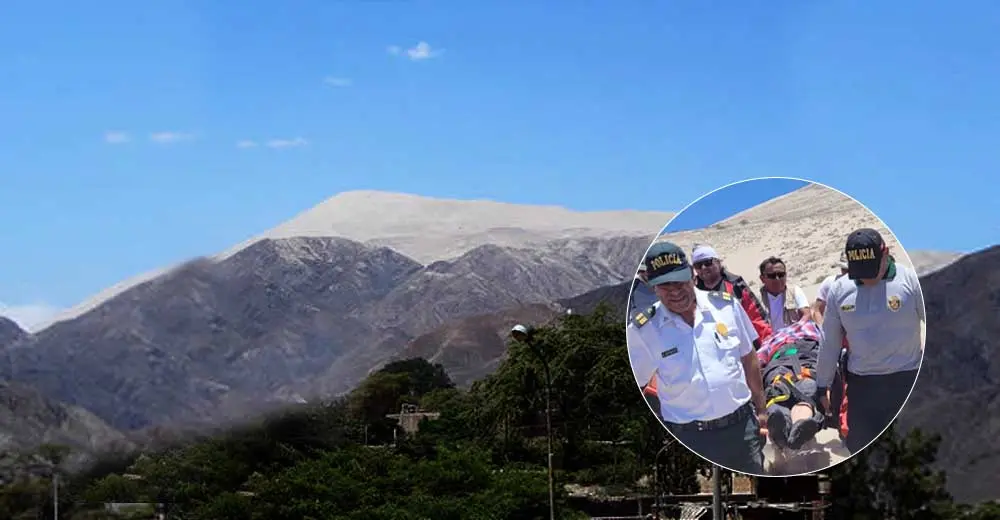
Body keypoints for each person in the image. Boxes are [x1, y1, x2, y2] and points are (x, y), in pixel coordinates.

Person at [627, 240, 768, 474]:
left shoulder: (726, 307)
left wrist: (761, 409)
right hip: (689, 438)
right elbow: (639, 384)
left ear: (692, 277)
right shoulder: (643, 331)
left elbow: (748, 357)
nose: (674, 291)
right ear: (653, 288)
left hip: (741, 430)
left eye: (679, 282)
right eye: (664, 285)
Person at [816, 228, 924, 455]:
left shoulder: (911, 281)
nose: (865, 277)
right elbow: (830, 343)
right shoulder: (840, 289)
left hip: (906, 380)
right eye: (859, 271)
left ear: (885, 253)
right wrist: (821, 385)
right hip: (863, 386)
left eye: (870, 269)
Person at [756, 318, 827, 451]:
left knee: (786, 391)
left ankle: (794, 426)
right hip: (793, 361)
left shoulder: (813, 326)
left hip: (793, 360)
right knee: (802, 389)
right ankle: (791, 426)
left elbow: (758, 360)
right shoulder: (814, 327)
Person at [691, 245, 773, 348]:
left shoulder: (735, 285)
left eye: (708, 263)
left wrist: (768, 345)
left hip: (741, 345)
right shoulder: (693, 291)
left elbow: (756, 317)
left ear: (718, 262)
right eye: (698, 265)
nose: (703, 268)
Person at [812, 252, 852, 438]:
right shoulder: (830, 283)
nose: (845, 272)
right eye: (843, 269)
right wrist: (825, 332)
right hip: (833, 340)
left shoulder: (860, 285)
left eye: (848, 269)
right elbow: (817, 310)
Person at [758, 257, 810, 332]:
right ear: (762, 279)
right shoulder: (757, 300)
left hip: (794, 338)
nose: (777, 279)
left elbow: (806, 314)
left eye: (781, 275)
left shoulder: (794, 291)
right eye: (772, 276)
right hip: (770, 341)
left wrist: (794, 331)